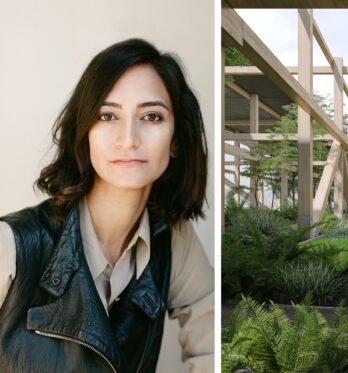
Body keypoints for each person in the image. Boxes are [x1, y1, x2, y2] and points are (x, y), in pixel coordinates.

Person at [0, 38, 214, 372]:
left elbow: (212, 339)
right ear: (83, 132)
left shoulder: (173, 238)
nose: (128, 138)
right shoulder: (12, 246)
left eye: (152, 116)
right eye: (107, 115)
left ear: (176, 141)